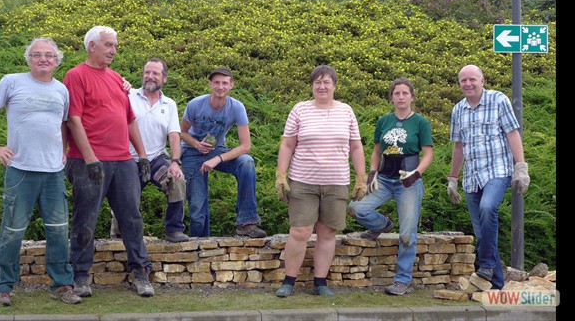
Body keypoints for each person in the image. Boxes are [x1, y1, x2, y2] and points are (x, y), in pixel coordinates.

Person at [0, 37, 82, 306]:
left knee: (58, 231)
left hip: (54, 172)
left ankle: (62, 285)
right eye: (36, 54)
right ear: (29, 59)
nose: (43, 59)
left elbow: (64, 124)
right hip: (20, 171)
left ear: (57, 61)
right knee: (12, 231)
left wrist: (64, 149)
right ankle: (2, 286)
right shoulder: (11, 81)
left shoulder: (61, 90)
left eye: (48, 55)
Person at [63, 26, 155, 298]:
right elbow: (73, 119)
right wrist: (91, 159)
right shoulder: (75, 76)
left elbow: (129, 119)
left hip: (123, 160)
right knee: (85, 219)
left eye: (115, 45)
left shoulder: (116, 78)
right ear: (91, 46)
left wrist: (142, 155)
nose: (114, 50)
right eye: (108, 45)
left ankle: (140, 272)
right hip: (87, 161)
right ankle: (80, 276)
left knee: (132, 218)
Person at [274, 65, 367, 298]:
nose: (322, 86)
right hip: (303, 181)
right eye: (317, 82)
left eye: (327, 82)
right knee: (300, 231)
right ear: (312, 85)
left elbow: (356, 146)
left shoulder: (346, 111)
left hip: (337, 182)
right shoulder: (299, 110)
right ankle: (288, 282)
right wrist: (281, 174)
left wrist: (361, 178)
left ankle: (320, 283)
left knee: (327, 233)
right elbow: (287, 144)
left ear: (334, 86)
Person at [347, 77, 433, 296]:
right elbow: (377, 150)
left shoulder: (420, 122)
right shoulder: (384, 121)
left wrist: (417, 174)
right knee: (356, 208)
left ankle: (403, 281)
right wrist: (371, 173)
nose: (401, 97)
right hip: (384, 180)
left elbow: (428, 153)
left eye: (405, 93)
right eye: (397, 93)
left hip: (408, 182)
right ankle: (381, 225)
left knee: (407, 234)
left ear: (412, 97)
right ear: (391, 97)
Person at [446, 64, 530, 290]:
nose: (468, 84)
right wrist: (453, 178)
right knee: (481, 233)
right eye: (463, 80)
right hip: (472, 178)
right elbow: (458, 146)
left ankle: (485, 265)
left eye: (472, 79)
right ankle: (496, 287)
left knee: (487, 207)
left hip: (497, 171)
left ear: (482, 81)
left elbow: (513, 133)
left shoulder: (498, 100)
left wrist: (520, 166)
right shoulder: (458, 110)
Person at [180, 67, 266, 238]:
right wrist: (197, 145)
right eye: (217, 83)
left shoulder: (236, 107)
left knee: (246, 162)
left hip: (216, 151)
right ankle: (199, 246)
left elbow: (246, 146)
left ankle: (246, 223)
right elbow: (181, 132)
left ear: (231, 85)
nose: (220, 86)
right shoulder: (195, 104)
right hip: (191, 152)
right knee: (198, 207)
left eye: (225, 83)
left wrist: (218, 159)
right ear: (210, 84)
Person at [109, 58, 189, 243]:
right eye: (147, 73)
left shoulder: (169, 104)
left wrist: (175, 162)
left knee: (178, 181)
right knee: (124, 196)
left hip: (156, 159)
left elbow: (174, 135)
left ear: (164, 78)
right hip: (128, 158)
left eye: (155, 73)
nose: (150, 77)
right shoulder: (128, 96)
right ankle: (119, 234)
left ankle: (174, 229)